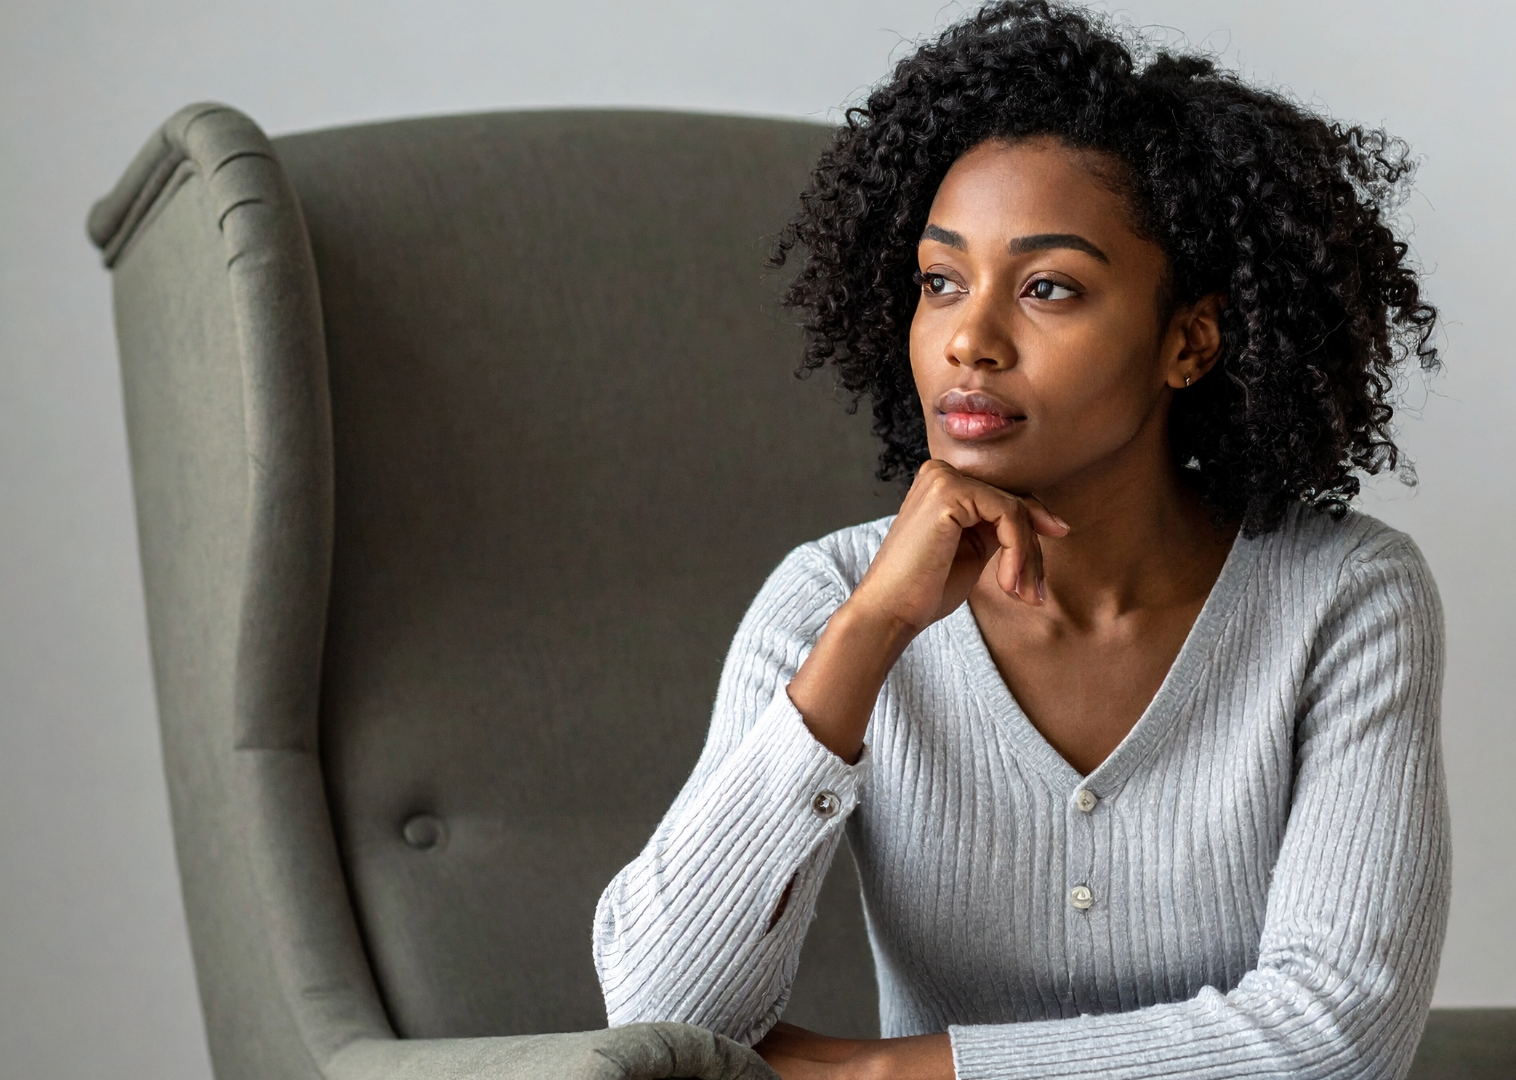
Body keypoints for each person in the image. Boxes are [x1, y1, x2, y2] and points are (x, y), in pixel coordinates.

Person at [593, 2, 1450, 1077]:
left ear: (1187, 340)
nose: (969, 338)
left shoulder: (1344, 597)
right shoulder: (832, 598)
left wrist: (868, 1071)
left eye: (1047, 288)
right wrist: (871, 632)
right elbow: (663, 1018)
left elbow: (1337, 1041)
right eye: (939, 281)